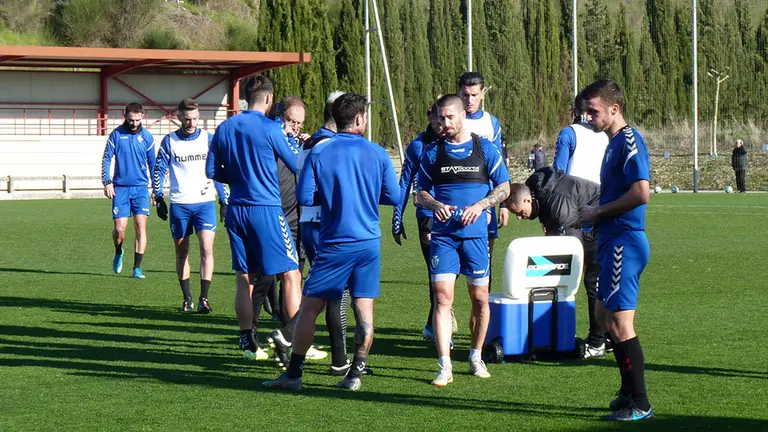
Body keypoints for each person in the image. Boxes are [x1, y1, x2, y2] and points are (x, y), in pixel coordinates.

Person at [262, 93, 400, 391]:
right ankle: (354, 374)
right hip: (369, 243)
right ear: (360, 119)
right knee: (364, 309)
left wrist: (336, 194)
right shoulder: (377, 153)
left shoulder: (321, 153)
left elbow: (304, 197)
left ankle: (294, 374)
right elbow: (396, 195)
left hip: (335, 242)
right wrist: (364, 193)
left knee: (310, 307)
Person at [205, 75, 303, 366]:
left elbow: (212, 170)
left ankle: (247, 339)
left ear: (247, 97)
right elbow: (296, 163)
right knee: (291, 272)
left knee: (243, 276)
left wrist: (238, 177)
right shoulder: (271, 128)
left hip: (236, 209)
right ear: (270, 100)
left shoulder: (225, 127)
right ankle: (292, 337)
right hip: (266, 208)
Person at [417, 94, 510, 387]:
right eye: (440, 119)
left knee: (480, 298)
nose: (444, 124)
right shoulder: (431, 153)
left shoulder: (486, 149)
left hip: (476, 237)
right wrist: (435, 205)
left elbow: (504, 187)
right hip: (443, 237)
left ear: (461, 116)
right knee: (443, 297)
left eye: (449, 118)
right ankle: (444, 365)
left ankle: (475, 355)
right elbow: (420, 193)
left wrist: (482, 206)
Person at [578, 79, 653, 421]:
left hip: (624, 241)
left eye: (593, 111)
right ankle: (626, 391)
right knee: (604, 317)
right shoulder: (610, 144)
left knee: (621, 323)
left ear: (614, 109)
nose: (587, 116)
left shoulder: (629, 141)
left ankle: (641, 404)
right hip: (610, 240)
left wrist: (597, 211)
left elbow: (641, 192)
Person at [504, 167, 607, 358]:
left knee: (593, 281)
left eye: (517, 211)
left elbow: (571, 247)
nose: (519, 217)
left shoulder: (557, 203)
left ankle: (597, 343)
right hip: (590, 224)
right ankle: (607, 336)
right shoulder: (542, 194)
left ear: (528, 200)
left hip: (605, 225)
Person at [297, 90, 362, 375]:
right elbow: (314, 191)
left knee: (329, 293)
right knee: (335, 295)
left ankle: (339, 360)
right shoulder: (328, 146)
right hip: (326, 225)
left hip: (309, 224)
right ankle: (335, 359)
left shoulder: (310, 143)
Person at [152, 98, 228, 313]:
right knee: (182, 252)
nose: (191, 123)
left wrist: (224, 200)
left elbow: (217, 172)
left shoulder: (208, 139)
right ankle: (187, 298)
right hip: (180, 204)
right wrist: (158, 198)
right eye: (187, 119)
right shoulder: (169, 142)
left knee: (206, 248)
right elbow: (158, 171)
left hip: (204, 203)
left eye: (195, 118)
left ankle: (204, 298)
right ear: (179, 118)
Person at [392, 102, 443, 341]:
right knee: (436, 270)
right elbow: (404, 183)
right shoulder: (417, 146)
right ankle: (436, 324)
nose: (442, 121)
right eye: (438, 116)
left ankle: (439, 317)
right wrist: (397, 216)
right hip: (428, 217)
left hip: (455, 215)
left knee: (451, 273)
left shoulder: (457, 142)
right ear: (429, 115)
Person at [457, 72, 509, 289]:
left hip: (486, 200)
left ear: (482, 94)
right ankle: (445, 311)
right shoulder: (451, 118)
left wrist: (503, 204)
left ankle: (484, 312)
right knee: (452, 261)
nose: (469, 100)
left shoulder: (491, 123)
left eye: (474, 95)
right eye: (465, 95)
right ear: (459, 92)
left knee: (485, 259)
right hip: (456, 197)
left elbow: (500, 164)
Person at [101, 102, 156, 279]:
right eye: (131, 120)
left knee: (141, 226)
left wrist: (156, 189)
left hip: (140, 189)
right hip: (120, 189)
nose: (134, 123)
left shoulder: (147, 137)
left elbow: (154, 165)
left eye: (137, 120)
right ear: (125, 116)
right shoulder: (116, 135)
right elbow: (107, 158)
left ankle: (137, 268)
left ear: (142, 117)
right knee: (120, 229)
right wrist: (107, 182)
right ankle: (118, 251)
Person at [553, 94, 609, 185]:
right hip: (599, 192)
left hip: (572, 192)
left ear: (575, 111)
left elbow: (558, 171)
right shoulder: (605, 136)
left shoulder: (568, 133)